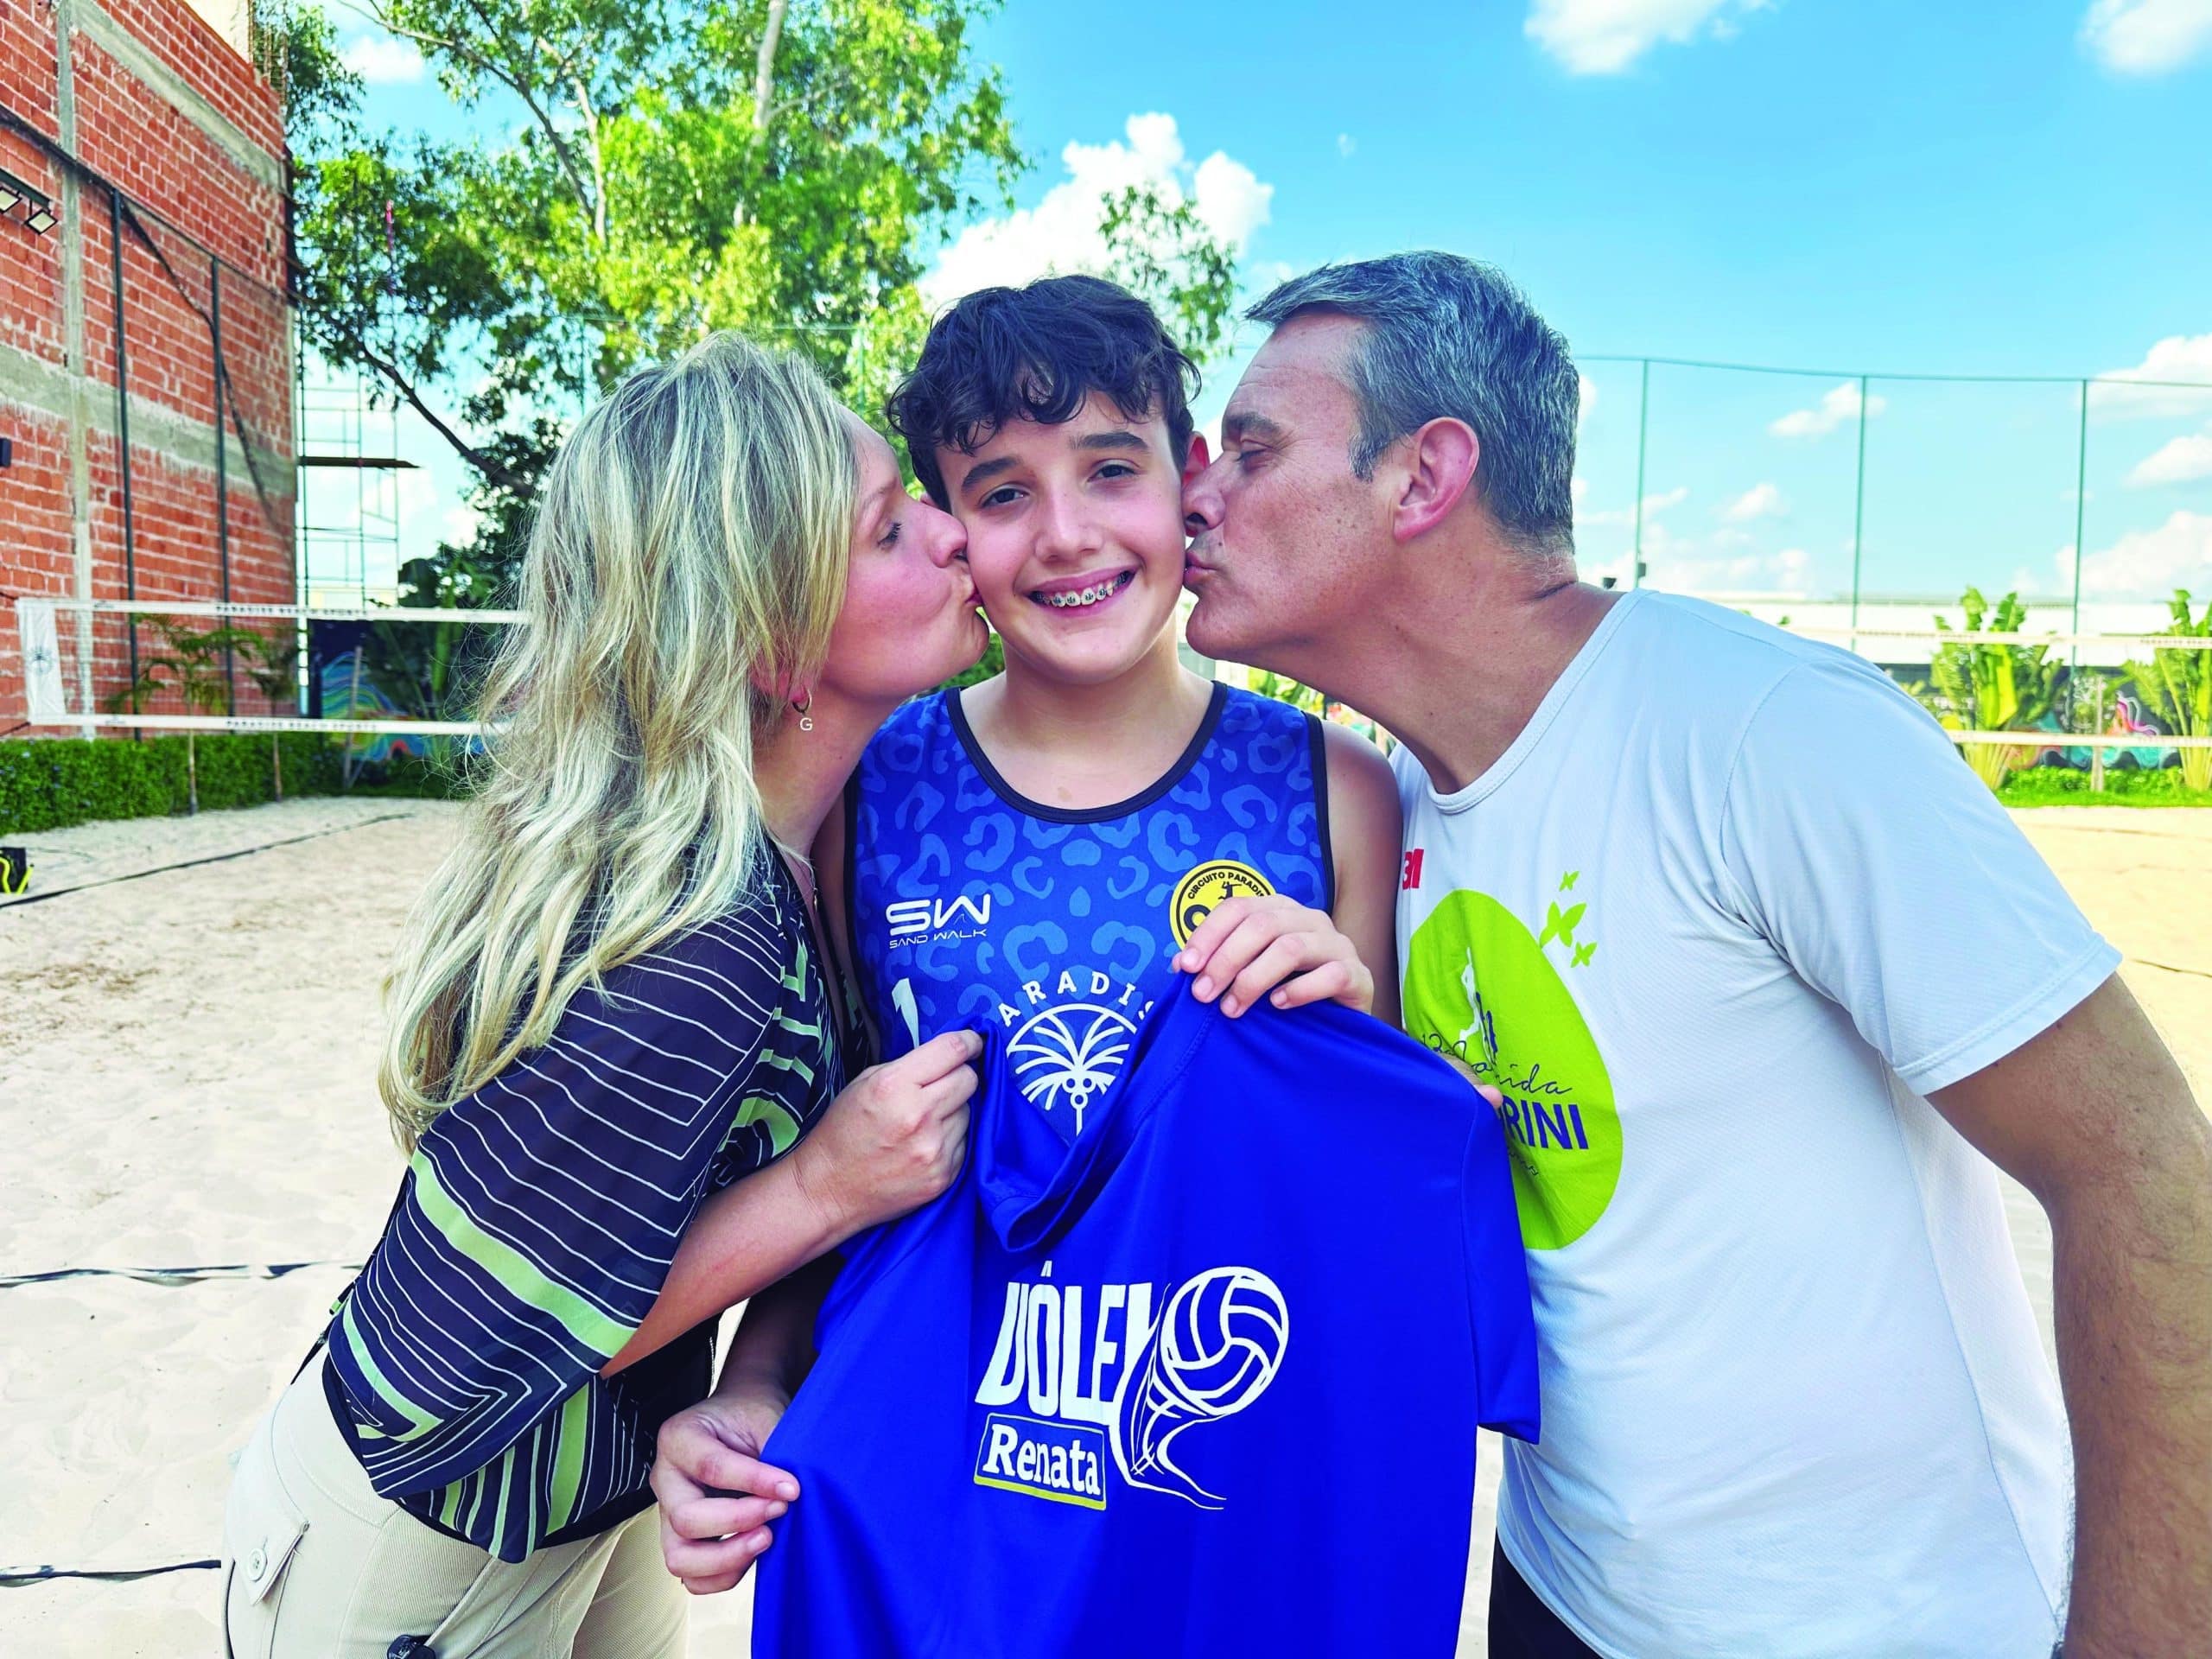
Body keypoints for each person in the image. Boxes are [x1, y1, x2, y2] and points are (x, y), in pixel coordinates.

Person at [1175, 251, 2212, 1657]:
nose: (1198, 494)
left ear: (1425, 477)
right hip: (1556, 1596)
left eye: (1252, 450)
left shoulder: (1765, 731)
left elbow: (2146, 1172)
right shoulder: (1400, 798)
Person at [220, 333, 994, 1657]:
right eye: (886, 529)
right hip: (425, 1545)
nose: (952, 532)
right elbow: (468, 1360)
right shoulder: (701, 936)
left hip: (599, 1498)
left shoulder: (808, 848)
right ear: (772, 642)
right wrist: (826, 1185)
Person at [651, 276, 1404, 1593]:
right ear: (950, 526)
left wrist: (1349, 1027)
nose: (1066, 535)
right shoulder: (870, 793)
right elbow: (846, 1163)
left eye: (1111, 469)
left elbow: (1368, 1212)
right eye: (1002, 493)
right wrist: (758, 1384)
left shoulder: (1333, 789)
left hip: (1208, 1483)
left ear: (1190, 474)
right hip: (942, 1497)